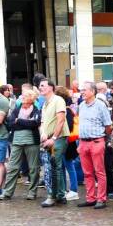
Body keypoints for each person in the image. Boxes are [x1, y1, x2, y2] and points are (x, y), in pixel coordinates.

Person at [76, 81, 113, 209]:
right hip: (83, 142)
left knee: (99, 172)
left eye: (85, 90)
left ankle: (101, 198)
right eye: (82, 90)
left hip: (97, 141)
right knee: (87, 172)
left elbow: (109, 126)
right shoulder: (81, 105)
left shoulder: (100, 106)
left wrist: (104, 139)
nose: (82, 92)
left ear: (92, 91)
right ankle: (90, 198)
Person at [2, 87, 41, 200]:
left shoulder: (36, 110)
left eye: (25, 96)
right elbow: (10, 122)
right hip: (17, 140)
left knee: (33, 168)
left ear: (31, 99)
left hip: (32, 141)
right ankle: (7, 192)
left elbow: (35, 123)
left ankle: (32, 192)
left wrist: (19, 121)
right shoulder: (17, 109)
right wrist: (26, 122)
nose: (22, 97)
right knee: (13, 167)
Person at [38, 79, 69, 207]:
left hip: (58, 138)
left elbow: (61, 120)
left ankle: (53, 196)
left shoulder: (58, 100)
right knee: (56, 166)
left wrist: (53, 138)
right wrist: (43, 135)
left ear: (51, 87)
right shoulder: (45, 103)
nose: (40, 88)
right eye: (40, 86)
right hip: (48, 139)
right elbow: (43, 122)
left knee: (54, 166)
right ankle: (60, 195)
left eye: (43, 85)